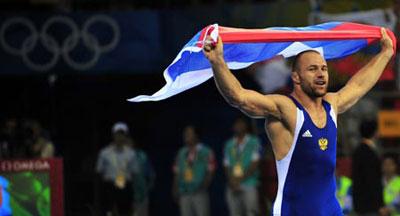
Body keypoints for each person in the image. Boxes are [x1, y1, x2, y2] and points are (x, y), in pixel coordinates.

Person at [202, 27, 394, 215]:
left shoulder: (331, 104)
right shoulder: (287, 109)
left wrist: (385, 53)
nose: (321, 74)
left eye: (324, 69)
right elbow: (240, 97)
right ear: (296, 77)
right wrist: (217, 60)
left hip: (331, 211)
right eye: (312, 69)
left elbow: (359, 85)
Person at [172, 125, 216, 216]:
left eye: (189, 133)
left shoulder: (206, 151)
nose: (185, 135)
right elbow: (177, 172)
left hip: (199, 192)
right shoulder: (181, 152)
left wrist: (202, 187)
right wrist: (175, 189)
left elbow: (211, 172)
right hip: (184, 193)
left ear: (196, 136)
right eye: (185, 133)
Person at [96, 122, 138, 216]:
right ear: (113, 135)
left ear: (125, 136)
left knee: (125, 212)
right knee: (108, 212)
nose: (119, 137)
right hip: (109, 186)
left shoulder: (131, 154)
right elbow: (99, 171)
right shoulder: (105, 153)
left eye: (122, 134)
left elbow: (135, 172)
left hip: (125, 186)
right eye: (117, 134)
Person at [223, 117, 261, 216]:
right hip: (232, 185)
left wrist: (239, 180)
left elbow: (254, 164)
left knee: (251, 213)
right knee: (234, 213)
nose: (238, 126)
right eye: (236, 124)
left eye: (241, 123)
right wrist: (232, 181)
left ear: (246, 126)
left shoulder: (254, 142)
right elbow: (226, 165)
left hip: (249, 183)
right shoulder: (229, 144)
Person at [352, 119, 383, 216]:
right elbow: (372, 180)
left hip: (360, 204)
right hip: (370, 206)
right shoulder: (369, 153)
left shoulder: (358, 151)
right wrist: (380, 205)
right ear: (375, 132)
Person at [131, 140, 155, 216]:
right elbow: (119, 179)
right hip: (128, 198)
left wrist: (146, 189)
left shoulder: (142, 156)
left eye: (129, 142)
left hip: (142, 197)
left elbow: (151, 174)